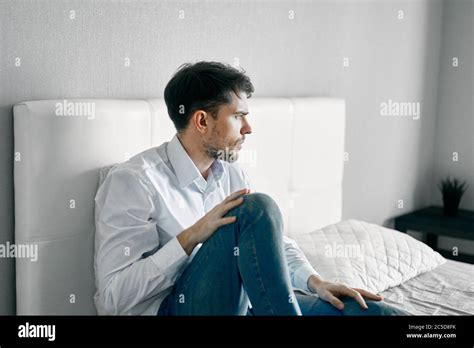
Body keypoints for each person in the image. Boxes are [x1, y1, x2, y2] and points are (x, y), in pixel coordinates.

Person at [93, 61, 407, 316]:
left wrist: (315, 282)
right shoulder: (134, 181)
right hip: (175, 309)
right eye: (239, 116)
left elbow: (269, 244)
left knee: (377, 315)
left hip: (248, 305)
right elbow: (112, 300)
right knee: (258, 207)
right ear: (202, 121)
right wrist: (189, 238)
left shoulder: (231, 172)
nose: (249, 128)